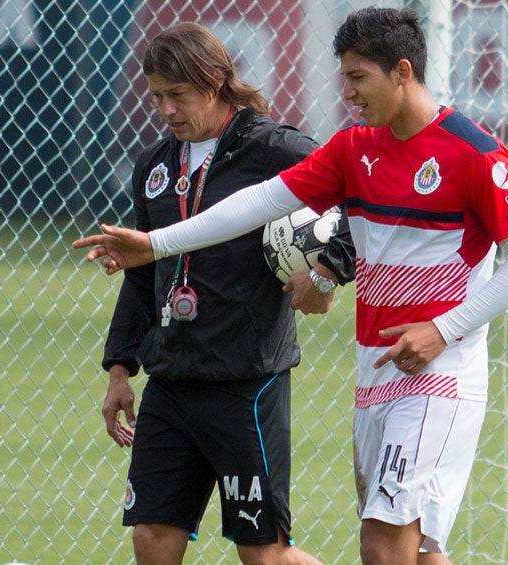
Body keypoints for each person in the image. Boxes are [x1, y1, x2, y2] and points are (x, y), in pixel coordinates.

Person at [75, 7, 508, 565]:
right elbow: (258, 203)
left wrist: (443, 331)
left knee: (382, 545)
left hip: (439, 376)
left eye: (358, 78)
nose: (347, 92)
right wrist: (156, 245)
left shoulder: (472, 151)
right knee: (419, 551)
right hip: (378, 369)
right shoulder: (354, 149)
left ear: (402, 71)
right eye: (343, 77)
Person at [94, 22, 355, 565]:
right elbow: (143, 275)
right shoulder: (155, 169)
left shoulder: (275, 149)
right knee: (151, 536)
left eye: (177, 95)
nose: (165, 110)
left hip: (247, 380)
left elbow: (359, 196)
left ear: (214, 83)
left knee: (263, 554)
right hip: (171, 380)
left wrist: (330, 269)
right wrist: (119, 368)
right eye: (156, 96)